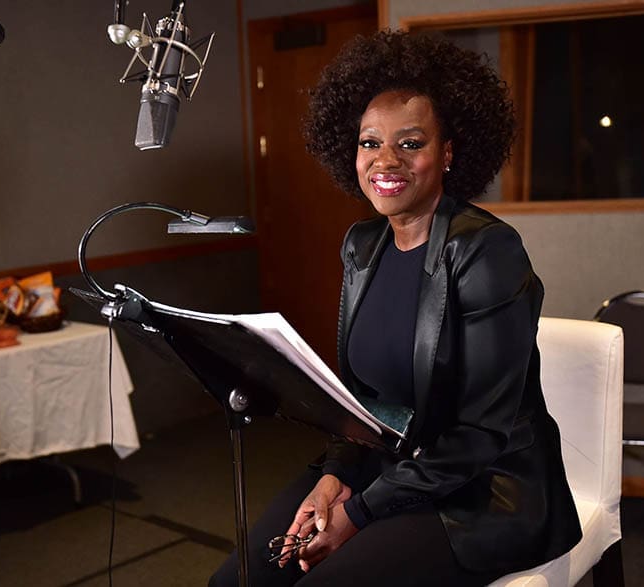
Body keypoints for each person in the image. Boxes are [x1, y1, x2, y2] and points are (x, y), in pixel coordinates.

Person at [210, 30, 582, 586]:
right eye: (369, 143)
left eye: (410, 143)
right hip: (388, 467)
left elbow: (479, 436)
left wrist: (357, 514)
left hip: (481, 492)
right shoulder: (363, 244)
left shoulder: (487, 251)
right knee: (240, 581)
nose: (385, 160)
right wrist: (335, 476)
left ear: (448, 152)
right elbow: (367, 402)